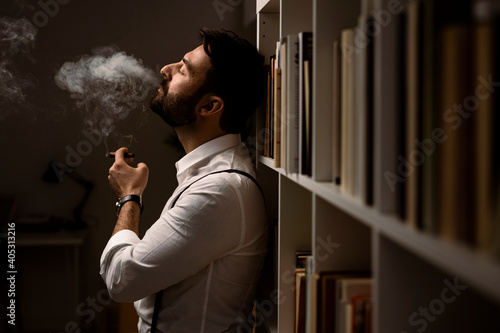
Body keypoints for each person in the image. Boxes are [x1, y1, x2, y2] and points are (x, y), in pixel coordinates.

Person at [99, 28, 268, 333]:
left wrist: (129, 196)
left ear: (209, 107)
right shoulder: (212, 174)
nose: (166, 69)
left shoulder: (219, 190)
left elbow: (120, 280)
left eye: (183, 69)